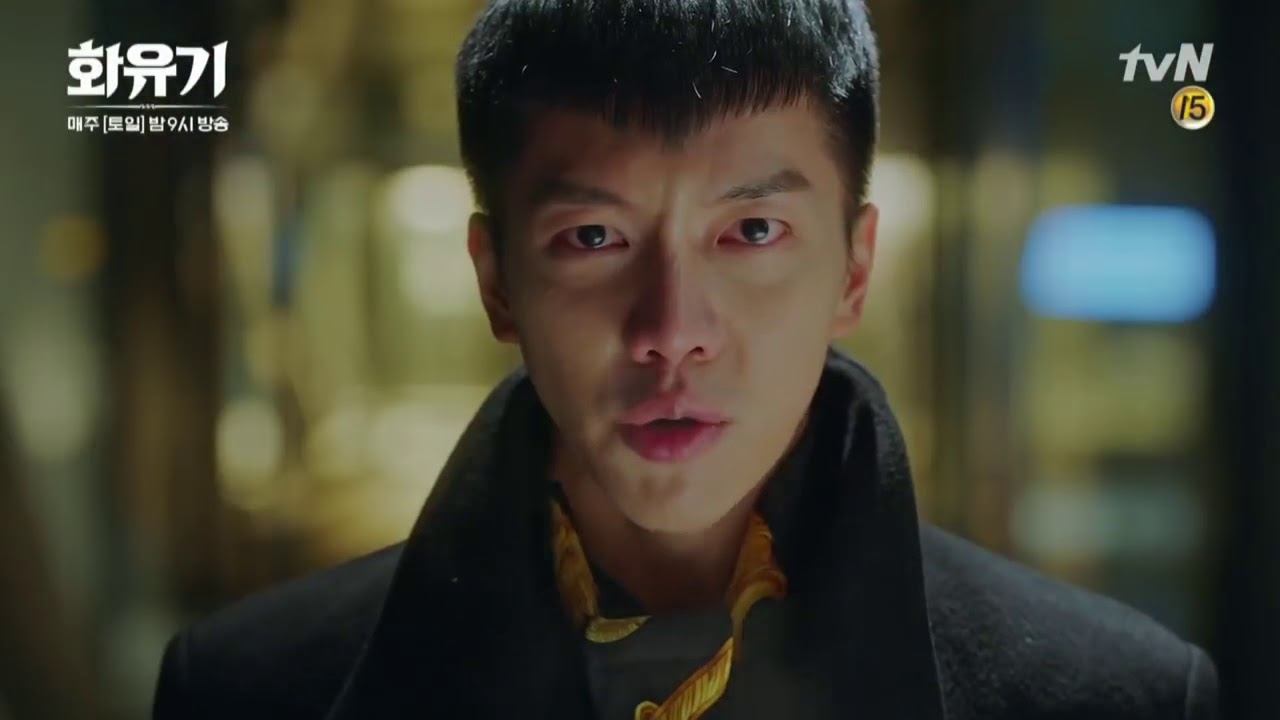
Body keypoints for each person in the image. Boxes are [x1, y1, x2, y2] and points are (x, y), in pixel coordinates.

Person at [153, 1, 1221, 718]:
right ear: (495, 281)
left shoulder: (1112, 695)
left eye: (750, 232)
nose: (670, 327)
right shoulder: (250, 689)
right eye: (593, 237)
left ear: (854, 269)